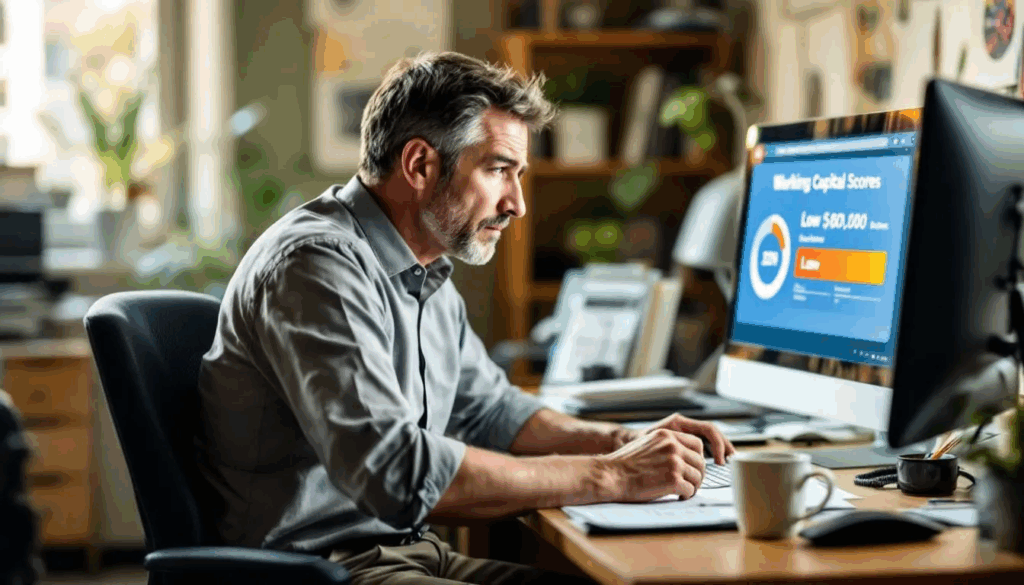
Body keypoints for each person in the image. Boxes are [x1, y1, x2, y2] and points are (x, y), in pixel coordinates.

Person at [196, 51, 735, 585]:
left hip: (410, 553)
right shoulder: (316, 267)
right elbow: (394, 472)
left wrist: (621, 442)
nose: (518, 204)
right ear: (420, 166)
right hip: (320, 572)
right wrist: (611, 476)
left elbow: (492, 414)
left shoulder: (424, 272)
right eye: (499, 170)